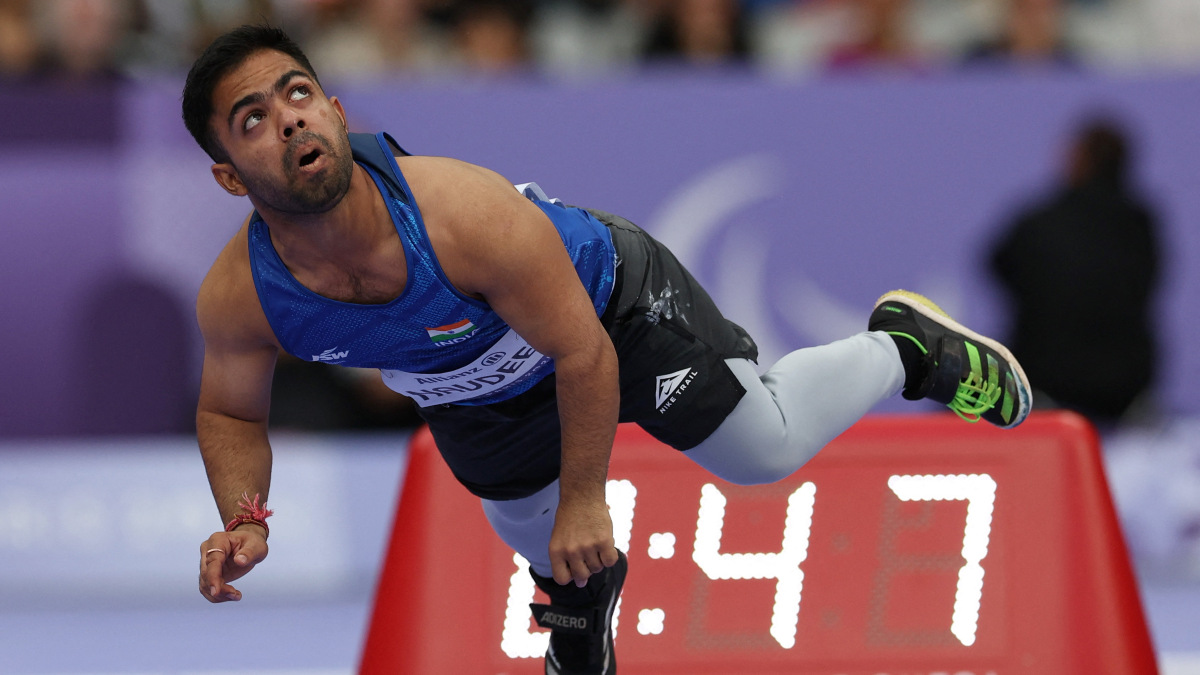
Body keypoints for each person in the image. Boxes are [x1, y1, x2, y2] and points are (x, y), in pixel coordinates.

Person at [186, 25, 1030, 675]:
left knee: (762, 449)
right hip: (468, 387)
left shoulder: (462, 217)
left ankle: (907, 349)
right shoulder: (242, 294)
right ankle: (583, 613)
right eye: (252, 118)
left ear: (334, 111)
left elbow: (583, 355)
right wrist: (244, 519)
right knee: (535, 533)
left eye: (297, 91)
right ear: (230, 174)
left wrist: (590, 497)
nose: (287, 115)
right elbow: (228, 407)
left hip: (610, 311)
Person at [989, 118, 1160, 427]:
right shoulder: (1141, 226)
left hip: (1044, 383)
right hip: (1126, 385)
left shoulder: (1038, 223)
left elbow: (998, 264)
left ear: (1080, 159)